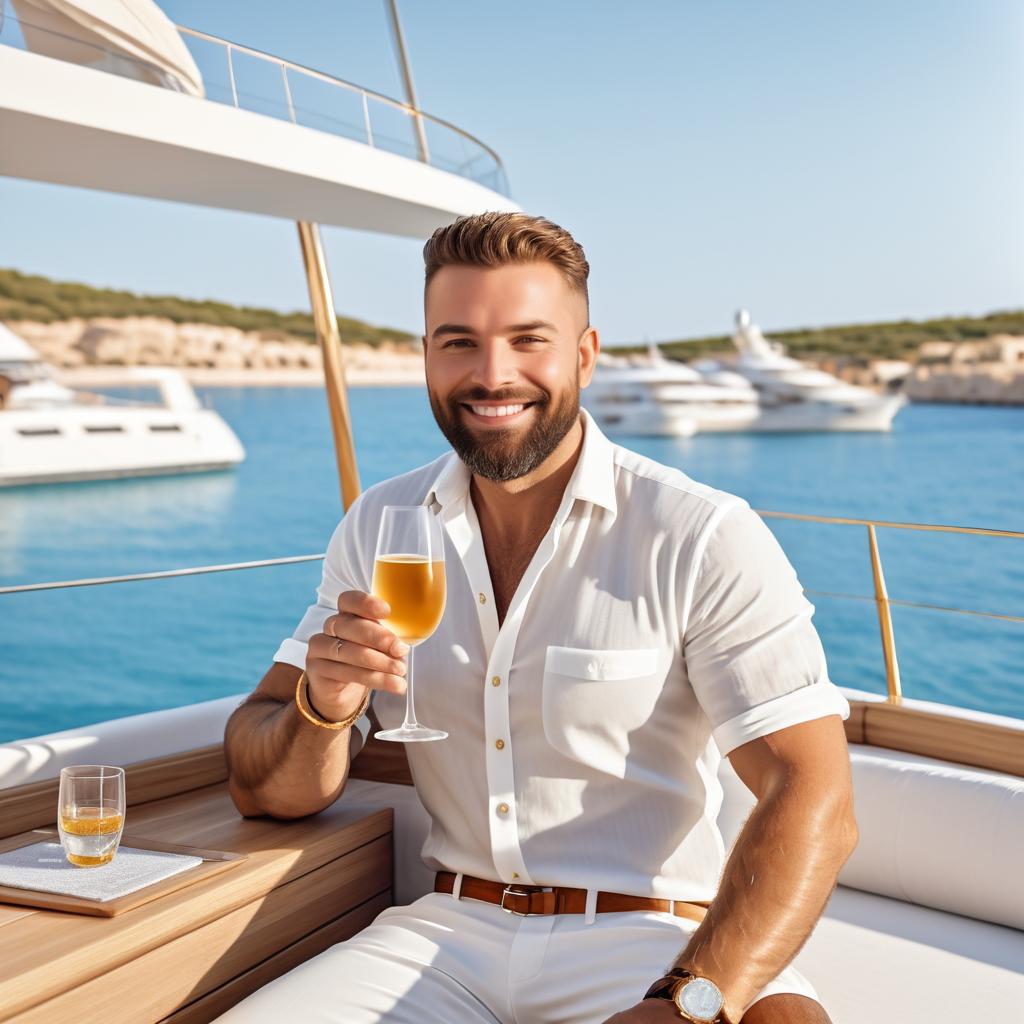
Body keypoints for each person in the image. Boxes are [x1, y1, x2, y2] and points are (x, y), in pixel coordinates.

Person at [220, 213, 858, 1024]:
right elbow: (262, 787)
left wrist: (685, 1002)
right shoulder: (379, 526)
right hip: (445, 933)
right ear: (425, 357)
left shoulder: (699, 534)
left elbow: (815, 797)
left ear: (584, 355)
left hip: (652, 938)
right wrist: (325, 706)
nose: (493, 374)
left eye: (528, 341)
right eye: (458, 342)